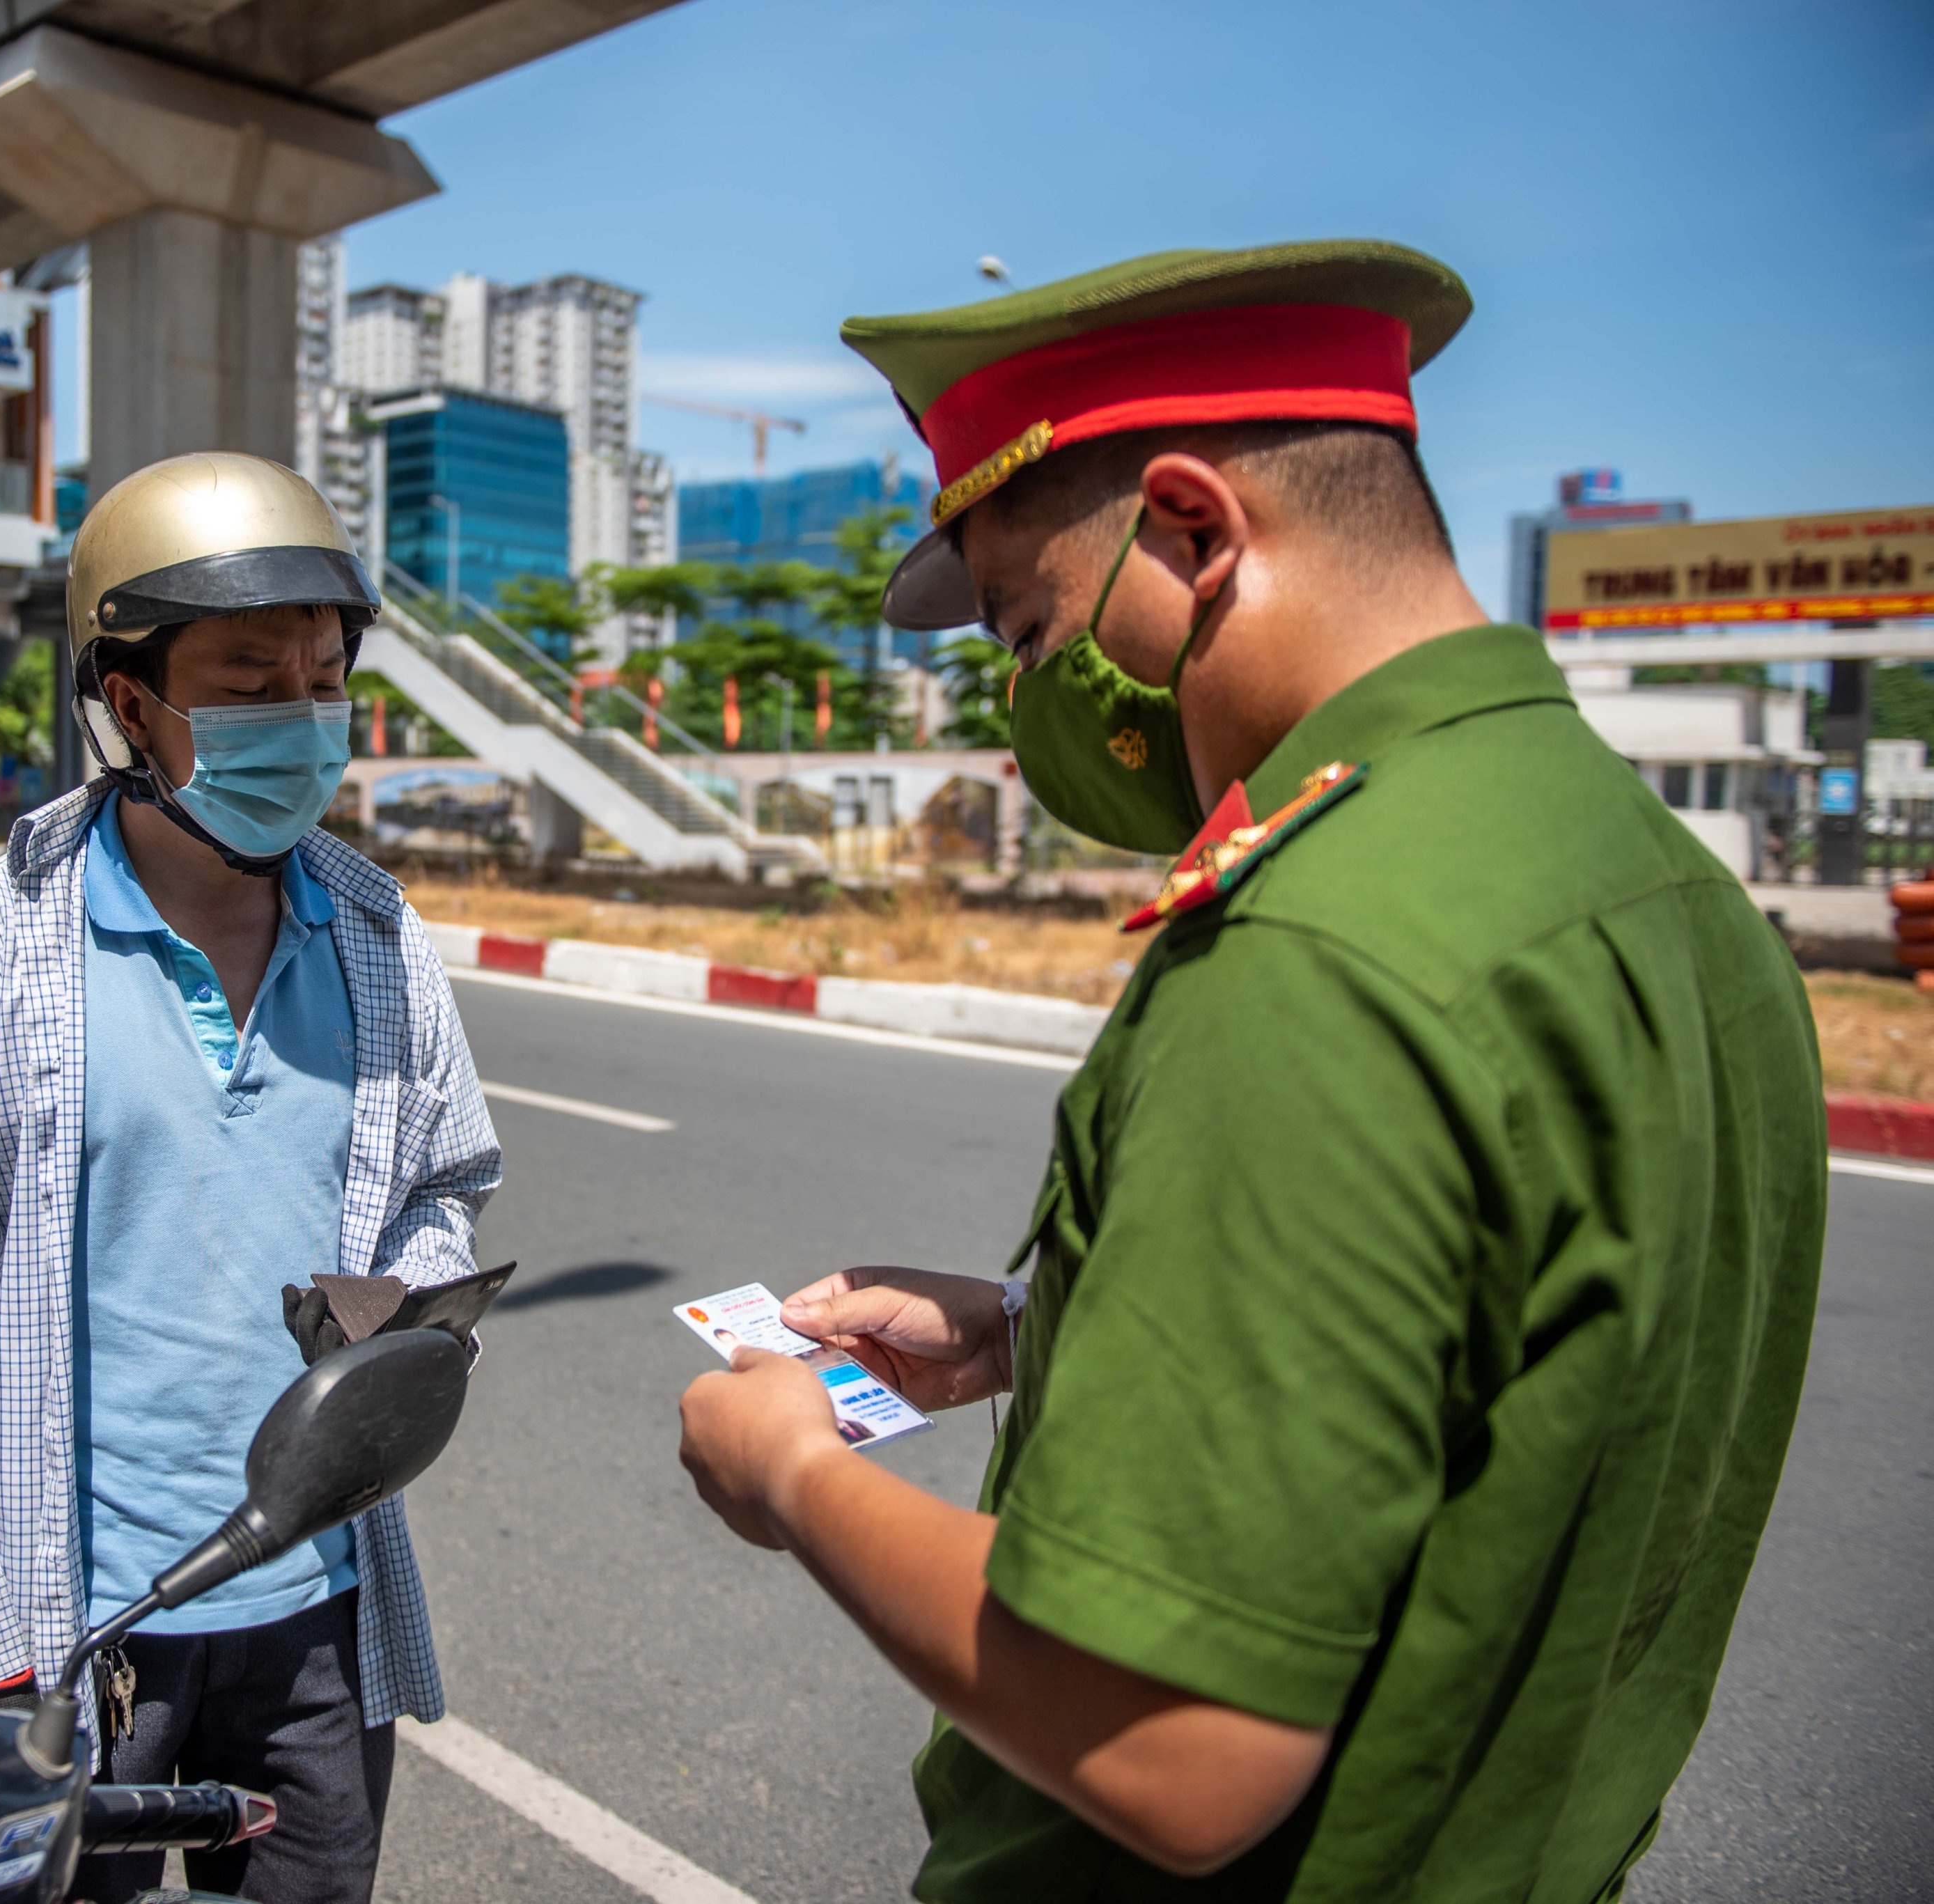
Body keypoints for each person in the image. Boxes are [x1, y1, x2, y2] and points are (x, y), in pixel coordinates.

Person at [675, 240, 1823, 1901]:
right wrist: (1035, 1327)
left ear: (1194, 531)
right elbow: (1492, 1360)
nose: (1021, 696)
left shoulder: (1311, 945)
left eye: (1024, 624)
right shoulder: (1666, 895)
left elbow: (1173, 1744)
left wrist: (782, 1462)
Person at [0, 451, 503, 1904]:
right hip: (71, 1632)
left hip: (319, 1616)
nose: (303, 720)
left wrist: (411, 1291)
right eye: (250, 681)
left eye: (324, 677)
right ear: (128, 704)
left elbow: (448, 1183)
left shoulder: (378, 933)